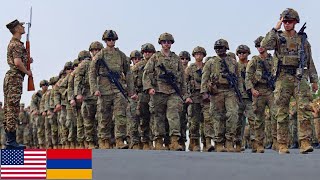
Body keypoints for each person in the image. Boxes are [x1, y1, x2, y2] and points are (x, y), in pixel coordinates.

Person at [261, 8, 318, 154]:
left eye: (289, 21)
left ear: (295, 22)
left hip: (299, 77)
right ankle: (282, 144)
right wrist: (276, 27)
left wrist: (314, 80)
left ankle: (305, 142)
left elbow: (309, 60)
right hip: (282, 77)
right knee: (282, 111)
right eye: (285, 21)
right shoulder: (278, 37)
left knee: (304, 109)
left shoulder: (302, 39)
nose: (287, 24)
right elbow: (264, 45)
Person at [143, 32, 191, 151]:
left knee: (174, 115)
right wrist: (149, 88)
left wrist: (185, 95)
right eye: (164, 42)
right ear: (161, 43)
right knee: (158, 117)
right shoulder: (155, 57)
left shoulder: (176, 59)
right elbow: (147, 73)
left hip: (173, 92)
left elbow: (183, 79)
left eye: (168, 42)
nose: (166, 44)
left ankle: (174, 141)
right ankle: (158, 141)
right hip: (158, 91)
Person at [89, 30, 132, 149]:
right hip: (104, 88)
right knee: (104, 116)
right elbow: (92, 73)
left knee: (120, 114)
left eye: (113, 39)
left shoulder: (121, 55)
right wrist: (95, 89)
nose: (111, 41)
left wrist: (130, 90)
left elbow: (128, 72)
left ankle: (119, 139)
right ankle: (104, 140)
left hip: (118, 88)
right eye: (109, 40)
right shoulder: (100, 55)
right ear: (105, 41)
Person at [201, 39, 239, 152]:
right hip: (216, 92)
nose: (219, 50)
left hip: (230, 91)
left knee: (233, 114)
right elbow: (205, 77)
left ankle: (229, 141)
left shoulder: (232, 62)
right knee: (217, 117)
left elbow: (239, 78)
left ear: (226, 48)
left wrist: (240, 93)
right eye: (217, 48)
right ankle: (218, 142)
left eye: (221, 48)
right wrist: (204, 92)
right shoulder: (211, 62)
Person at [3, 19, 33, 149]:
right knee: (12, 109)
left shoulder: (16, 44)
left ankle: (11, 141)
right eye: (20, 25)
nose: (22, 26)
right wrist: (27, 72)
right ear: (16, 29)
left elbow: (19, 60)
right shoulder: (16, 44)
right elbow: (17, 62)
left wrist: (27, 60)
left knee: (11, 109)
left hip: (13, 78)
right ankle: (10, 142)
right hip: (14, 79)